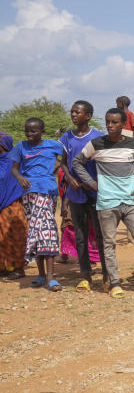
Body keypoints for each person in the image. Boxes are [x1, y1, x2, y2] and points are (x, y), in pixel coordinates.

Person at [72, 109, 134, 298]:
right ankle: (114, 283)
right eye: (108, 122)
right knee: (109, 244)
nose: (110, 125)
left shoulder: (133, 144)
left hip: (130, 202)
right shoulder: (96, 144)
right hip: (107, 203)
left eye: (114, 122)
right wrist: (92, 183)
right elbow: (77, 162)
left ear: (123, 125)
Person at [10, 118, 63, 291]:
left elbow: (67, 158)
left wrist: (57, 167)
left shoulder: (53, 145)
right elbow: (14, 169)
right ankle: (41, 275)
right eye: (27, 130)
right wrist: (20, 178)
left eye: (33, 131)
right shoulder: (21, 146)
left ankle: (51, 277)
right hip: (29, 194)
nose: (29, 134)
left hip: (48, 191)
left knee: (46, 231)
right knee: (37, 231)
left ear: (42, 131)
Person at [59, 100, 106, 291]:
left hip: (95, 192)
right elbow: (63, 162)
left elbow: (104, 163)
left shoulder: (98, 136)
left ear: (87, 116)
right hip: (75, 193)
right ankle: (86, 275)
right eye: (72, 111)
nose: (73, 114)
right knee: (80, 235)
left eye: (77, 112)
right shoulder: (67, 137)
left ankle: (107, 275)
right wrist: (69, 179)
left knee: (101, 235)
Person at [0, 132, 28, 279]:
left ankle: (18, 268)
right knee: (1, 236)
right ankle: (3, 267)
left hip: (12, 203)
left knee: (15, 235)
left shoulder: (14, 161)